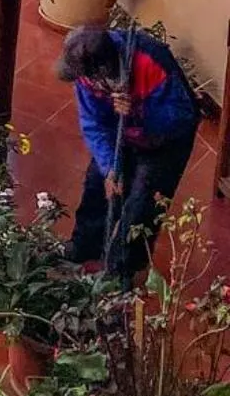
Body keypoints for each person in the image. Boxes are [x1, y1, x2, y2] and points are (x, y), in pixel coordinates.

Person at [58, 23, 199, 278]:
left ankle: (122, 271)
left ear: (103, 72)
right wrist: (110, 167)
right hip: (122, 134)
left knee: (141, 205)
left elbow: (180, 117)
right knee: (96, 185)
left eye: (88, 78)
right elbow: (93, 124)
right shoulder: (85, 71)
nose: (84, 82)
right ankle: (83, 248)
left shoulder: (150, 62)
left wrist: (136, 109)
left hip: (163, 140)